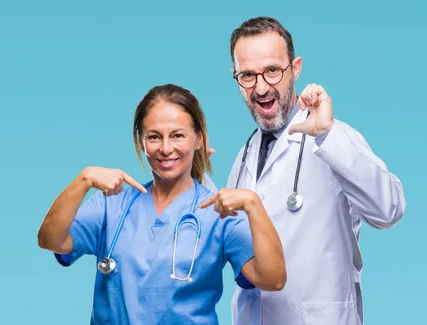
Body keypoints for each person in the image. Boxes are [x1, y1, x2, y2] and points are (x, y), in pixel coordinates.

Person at [37, 84, 286, 324]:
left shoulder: (217, 212)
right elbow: (51, 240)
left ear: (198, 139)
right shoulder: (112, 204)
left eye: (178, 136)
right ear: (141, 141)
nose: (166, 149)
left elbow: (272, 279)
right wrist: (83, 179)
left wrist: (254, 205)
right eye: (154, 137)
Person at [224, 17, 407, 325]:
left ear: (295, 68)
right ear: (236, 77)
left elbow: (389, 210)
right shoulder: (243, 157)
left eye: (272, 71)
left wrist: (327, 134)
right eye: (247, 75)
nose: (261, 87)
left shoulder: (335, 137)